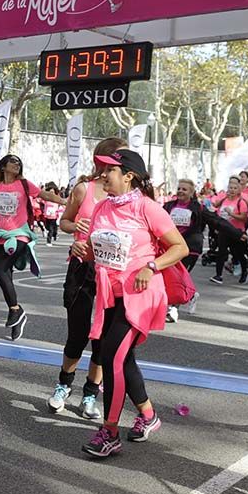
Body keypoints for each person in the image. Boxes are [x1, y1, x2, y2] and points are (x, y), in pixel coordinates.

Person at [73, 149, 188, 458]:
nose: (102, 176)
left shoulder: (147, 208)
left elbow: (180, 247)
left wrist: (150, 267)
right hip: (109, 294)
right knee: (122, 358)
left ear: (128, 175)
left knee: (111, 358)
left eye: (108, 170)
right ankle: (148, 415)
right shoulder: (102, 208)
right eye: (101, 170)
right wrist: (82, 251)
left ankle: (109, 432)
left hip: (140, 296)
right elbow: (96, 252)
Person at [46, 137, 128, 417]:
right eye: (120, 156)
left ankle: (91, 394)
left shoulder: (128, 193)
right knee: (77, 333)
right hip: (82, 269)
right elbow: (64, 221)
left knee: (103, 339)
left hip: (113, 273)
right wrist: (73, 226)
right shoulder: (84, 189)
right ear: (102, 161)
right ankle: (63, 385)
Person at [0, 140, 65, 340]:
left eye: (19, 163)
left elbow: (45, 194)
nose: (17, 165)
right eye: (13, 162)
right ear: (4, 166)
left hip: (19, 235)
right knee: (7, 277)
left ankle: (16, 309)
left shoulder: (23, 184)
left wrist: (65, 201)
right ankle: (15, 317)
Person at [162, 178, 204, 322]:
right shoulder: (168, 206)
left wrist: (237, 234)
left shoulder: (197, 208)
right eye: (179, 188)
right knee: (169, 277)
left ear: (191, 193)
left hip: (190, 248)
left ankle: (173, 309)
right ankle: (191, 295)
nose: (180, 191)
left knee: (179, 276)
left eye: (184, 189)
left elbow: (216, 220)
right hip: (171, 247)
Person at [209, 177, 248, 285]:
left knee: (238, 253)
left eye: (235, 188)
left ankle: (245, 271)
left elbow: (244, 218)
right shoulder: (224, 200)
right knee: (221, 252)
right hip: (224, 231)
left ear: (239, 190)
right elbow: (217, 211)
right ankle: (218, 275)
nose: (232, 190)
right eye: (230, 188)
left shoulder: (241, 202)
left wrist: (231, 214)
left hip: (237, 231)